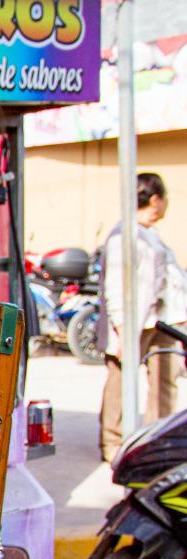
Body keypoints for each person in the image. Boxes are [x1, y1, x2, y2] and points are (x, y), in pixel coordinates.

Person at [100, 171, 185, 460]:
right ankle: (112, 444)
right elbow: (114, 288)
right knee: (121, 381)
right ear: (157, 200)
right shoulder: (123, 236)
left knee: (165, 378)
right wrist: (124, 332)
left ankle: (158, 438)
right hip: (131, 322)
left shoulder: (151, 235)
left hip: (161, 320)